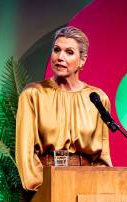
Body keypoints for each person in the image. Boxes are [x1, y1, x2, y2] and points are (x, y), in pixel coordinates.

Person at [16, 26, 112, 192]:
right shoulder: (33, 94)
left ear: (82, 60)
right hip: (45, 187)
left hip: (87, 188)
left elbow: (102, 157)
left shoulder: (97, 98)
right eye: (56, 50)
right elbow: (25, 154)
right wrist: (47, 188)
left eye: (69, 52)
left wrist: (101, 191)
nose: (60, 57)